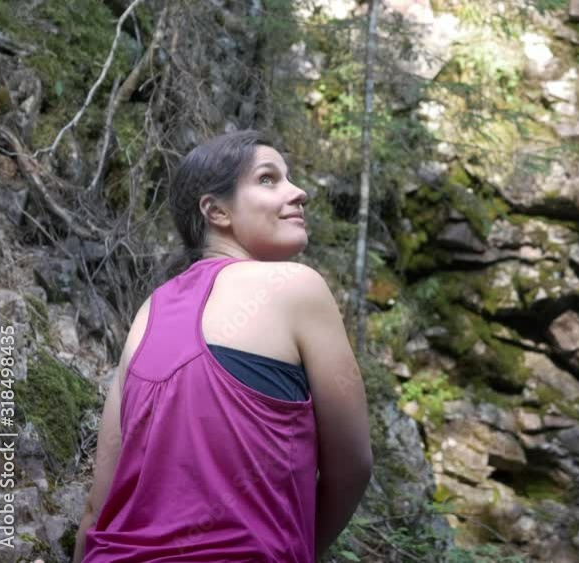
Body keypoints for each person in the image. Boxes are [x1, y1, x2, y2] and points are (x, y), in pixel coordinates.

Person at [72, 129, 373, 562]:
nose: (299, 192)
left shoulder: (147, 314)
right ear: (216, 210)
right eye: (268, 179)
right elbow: (353, 465)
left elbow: (96, 509)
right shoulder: (296, 287)